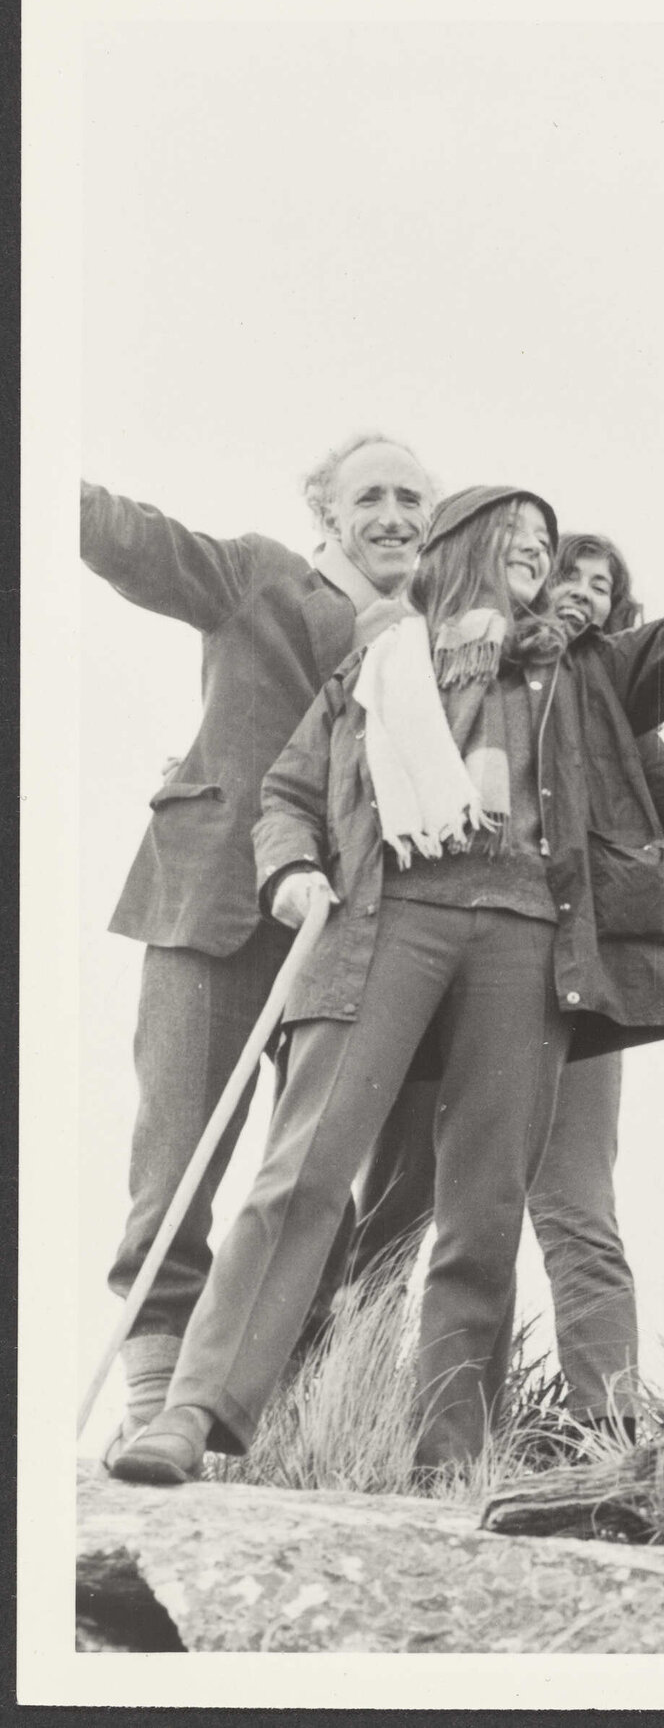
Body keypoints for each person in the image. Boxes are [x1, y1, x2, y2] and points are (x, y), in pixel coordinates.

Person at [109, 481, 664, 1483]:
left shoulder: (592, 668)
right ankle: (190, 1415)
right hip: (384, 927)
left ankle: (449, 1458)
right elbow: (288, 789)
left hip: (527, 941)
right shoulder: (375, 665)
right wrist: (289, 865)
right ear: (458, 546)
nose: (540, 551)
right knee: (304, 1172)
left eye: (548, 540)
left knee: (486, 1205)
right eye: (519, 533)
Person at [81, 435, 439, 1462]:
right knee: (181, 1151)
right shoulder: (256, 575)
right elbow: (135, 542)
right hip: (219, 900)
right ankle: (152, 1398)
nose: (394, 514)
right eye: (369, 494)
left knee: (316, 1174)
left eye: (413, 497)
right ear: (325, 511)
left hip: (362, 933)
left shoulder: (432, 642)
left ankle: (265, 1409)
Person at [349, 531, 664, 1435]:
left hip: (569, 992)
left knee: (573, 1208)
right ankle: (358, 1409)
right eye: (568, 573)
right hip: (437, 986)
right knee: (405, 1207)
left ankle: (604, 1428)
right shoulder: (439, 671)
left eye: (603, 587)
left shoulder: (607, 702)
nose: (582, 595)